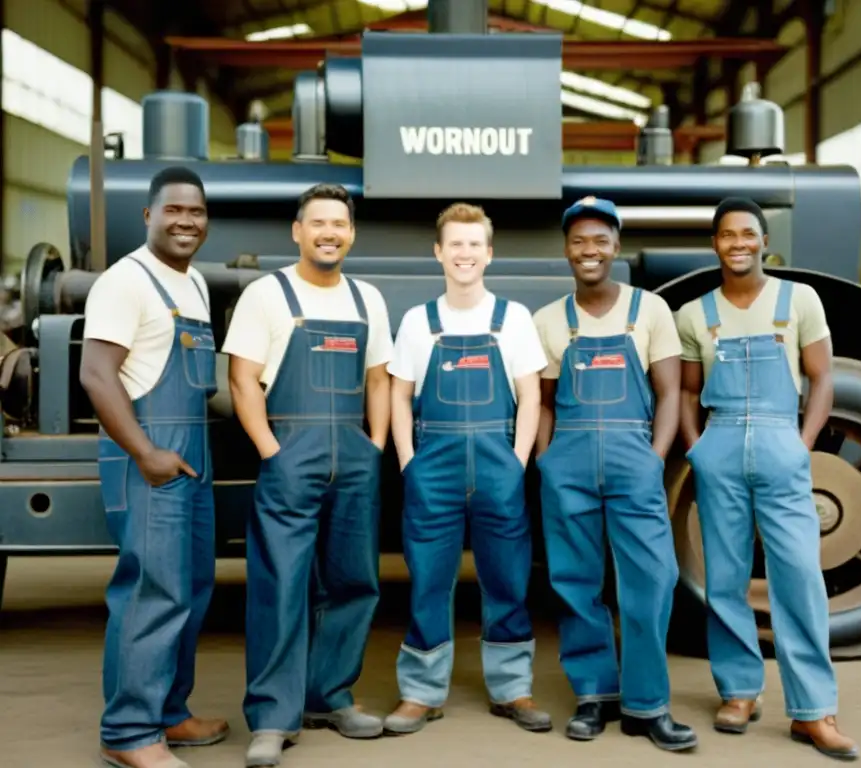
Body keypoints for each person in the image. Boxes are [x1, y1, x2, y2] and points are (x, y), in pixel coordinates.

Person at [675, 197, 859, 761]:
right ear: (715, 244)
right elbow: (685, 391)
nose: (738, 243)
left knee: (800, 576)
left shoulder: (798, 300)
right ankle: (739, 692)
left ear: (763, 240)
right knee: (725, 576)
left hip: (782, 441)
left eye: (748, 234)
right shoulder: (694, 314)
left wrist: (801, 444)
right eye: (727, 235)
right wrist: (697, 449)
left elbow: (823, 377)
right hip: (720, 445)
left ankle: (813, 711)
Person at [223, 183, 393, 767]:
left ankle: (331, 695)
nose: (329, 232)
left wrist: (373, 445)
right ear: (297, 231)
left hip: (354, 454)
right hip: (289, 449)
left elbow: (379, 380)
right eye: (317, 222)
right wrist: (271, 449)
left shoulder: (368, 299)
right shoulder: (267, 295)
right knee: (281, 583)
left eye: (339, 224)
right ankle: (273, 716)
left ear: (351, 233)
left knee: (352, 580)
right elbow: (242, 379)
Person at [533, 196, 696, 753]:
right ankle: (593, 696)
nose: (589, 250)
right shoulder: (549, 320)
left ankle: (648, 704)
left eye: (600, 240)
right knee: (575, 581)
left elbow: (671, 390)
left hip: (634, 455)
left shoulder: (648, 310)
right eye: (578, 241)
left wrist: (654, 456)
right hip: (568, 459)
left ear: (616, 246)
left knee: (652, 581)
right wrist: (545, 458)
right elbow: (546, 401)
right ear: (566, 249)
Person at [383, 203, 552, 736]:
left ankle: (512, 688)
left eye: (474, 244)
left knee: (506, 578)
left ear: (489, 254)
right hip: (433, 468)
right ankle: (421, 692)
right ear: (439, 252)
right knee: (429, 581)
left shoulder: (513, 319)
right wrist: (408, 461)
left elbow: (530, 396)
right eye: (455, 244)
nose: (464, 253)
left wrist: (518, 460)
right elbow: (399, 394)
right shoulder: (417, 321)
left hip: (499, 466)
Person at [80, 167, 228, 768]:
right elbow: (95, 373)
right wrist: (146, 453)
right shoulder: (125, 282)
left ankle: (169, 711)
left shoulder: (191, 286)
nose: (186, 221)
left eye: (196, 212)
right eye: (174, 211)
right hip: (148, 457)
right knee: (151, 589)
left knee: (191, 586)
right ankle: (129, 731)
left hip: (189, 457)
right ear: (148, 216)